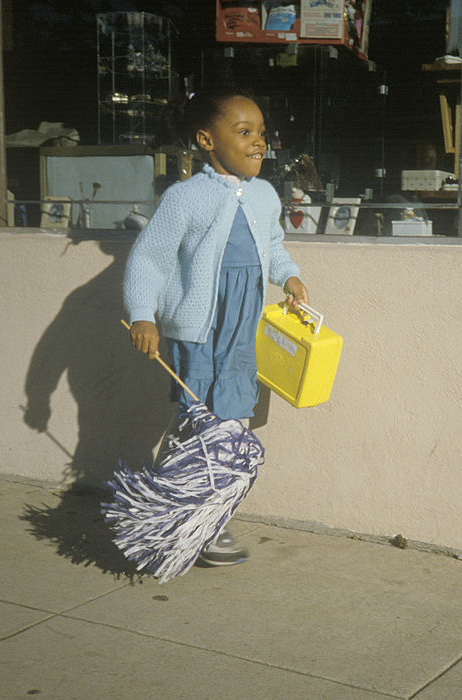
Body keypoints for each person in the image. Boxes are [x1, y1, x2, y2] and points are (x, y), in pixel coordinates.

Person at [123, 87, 309, 566]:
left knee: (232, 419)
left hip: (243, 331)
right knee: (200, 421)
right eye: (243, 131)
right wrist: (143, 314)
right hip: (198, 331)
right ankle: (178, 515)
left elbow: (274, 245)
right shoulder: (186, 198)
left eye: (261, 133)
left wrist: (289, 276)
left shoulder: (266, 195)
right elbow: (150, 259)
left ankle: (208, 519)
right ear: (207, 139)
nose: (258, 142)